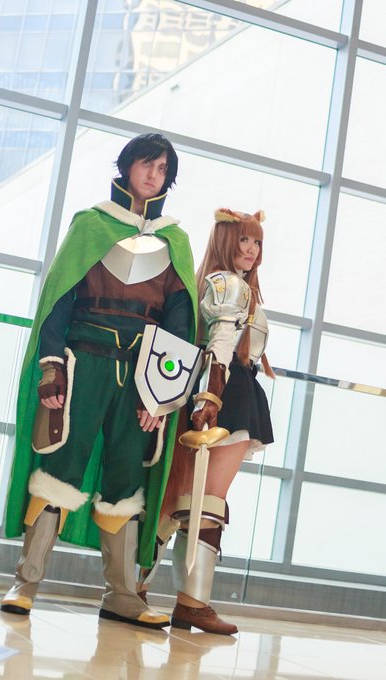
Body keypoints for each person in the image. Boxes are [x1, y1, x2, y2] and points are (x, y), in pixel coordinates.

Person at [0, 133, 198, 629]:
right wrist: (52, 368)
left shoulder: (175, 242)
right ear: (127, 165)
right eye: (146, 164)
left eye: (162, 169)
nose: (153, 175)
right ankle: (26, 582)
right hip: (84, 363)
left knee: (127, 477)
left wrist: (161, 396)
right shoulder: (90, 225)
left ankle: (122, 595)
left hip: (141, 377)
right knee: (60, 464)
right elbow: (59, 300)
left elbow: (180, 327)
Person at [138, 208, 274, 635]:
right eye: (243, 240)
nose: (251, 249)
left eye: (256, 242)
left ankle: (135, 588)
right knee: (205, 501)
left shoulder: (216, 282)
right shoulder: (228, 284)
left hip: (211, 390)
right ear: (225, 242)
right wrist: (212, 395)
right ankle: (190, 604)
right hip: (224, 392)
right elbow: (221, 343)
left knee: (180, 497)